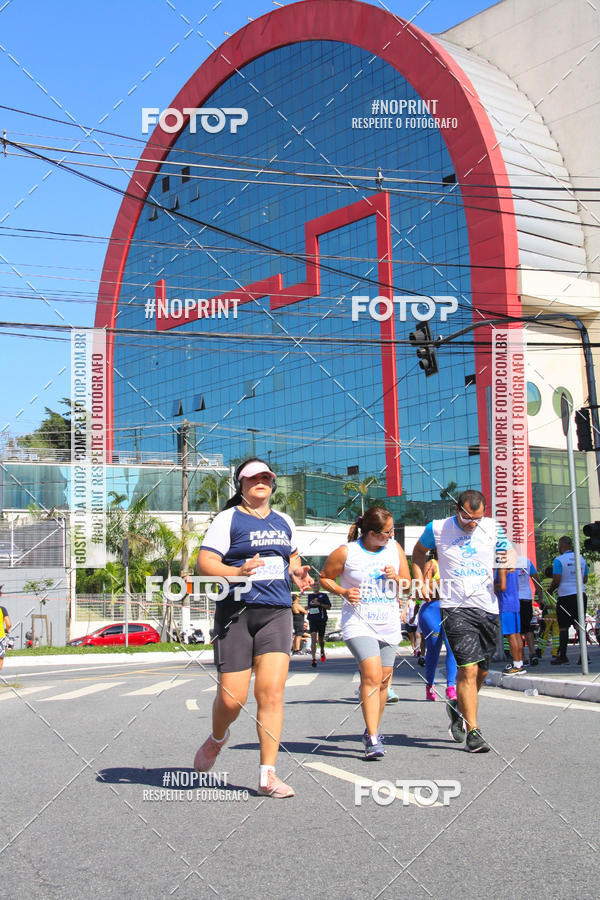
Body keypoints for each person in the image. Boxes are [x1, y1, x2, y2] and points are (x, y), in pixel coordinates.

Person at [194, 458, 313, 798]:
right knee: (232, 700)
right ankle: (218, 738)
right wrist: (237, 572)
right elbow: (206, 563)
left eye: (266, 477)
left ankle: (268, 775)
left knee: (271, 693)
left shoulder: (284, 521)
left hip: (276, 612)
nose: (260, 481)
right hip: (236, 612)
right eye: (253, 478)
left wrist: (297, 572)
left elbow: (290, 557)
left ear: (272, 484)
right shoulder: (228, 519)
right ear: (241, 485)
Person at [412, 489, 507, 753]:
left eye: (477, 518)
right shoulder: (439, 528)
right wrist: (419, 579)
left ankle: (457, 707)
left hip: (488, 607)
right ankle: (473, 732)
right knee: (468, 669)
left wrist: (503, 575)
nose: (472, 524)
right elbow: (418, 552)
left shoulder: (492, 527)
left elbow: (506, 553)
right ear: (457, 510)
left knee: (483, 672)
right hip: (455, 607)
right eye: (467, 519)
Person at [320, 506, 410, 760]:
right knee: (371, 675)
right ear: (371, 533)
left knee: (383, 680)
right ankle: (372, 737)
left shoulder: (395, 549)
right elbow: (325, 577)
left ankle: (372, 729)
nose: (391, 537)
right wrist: (344, 592)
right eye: (386, 533)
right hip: (359, 624)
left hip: (389, 624)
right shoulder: (347, 553)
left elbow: (407, 584)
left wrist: (397, 578)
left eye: (392, 532)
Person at [417, 550, 458, 705]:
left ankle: (450, 686)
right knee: (433, 648)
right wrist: (441, 583)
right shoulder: (431, 564)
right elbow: (423, 590)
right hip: (432, 610)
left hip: (450, 609)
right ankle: (430, 685)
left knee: (451, 647)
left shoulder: (456, 566)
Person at [548, 535, 588, 665]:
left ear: (562, 545)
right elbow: (585, 579)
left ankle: (563, 655)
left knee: (563, 627)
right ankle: (584, 657)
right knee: (579, 625)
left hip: (565, 597)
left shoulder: (558, 560)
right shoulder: (581, 559)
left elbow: (557, 579)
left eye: (559, 546)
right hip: (580, 595)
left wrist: (550, 590)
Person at [495, 549, 526, 674]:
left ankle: (516, 664)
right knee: (517, 634)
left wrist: (491, 586)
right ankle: (519, 663)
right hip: (515, 602)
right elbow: (516, 586)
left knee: (511, 635)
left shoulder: (502, 567)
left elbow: (502, 586)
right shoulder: (514, 568)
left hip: (506, 604)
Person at [517, 556, 543, 666]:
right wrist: (540, 595)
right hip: (526, 597)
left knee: (517, 630)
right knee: (528, 628)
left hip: (514, 598)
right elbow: (536, 579)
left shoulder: (506, 561)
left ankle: (522, 657)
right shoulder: (527, 561)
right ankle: (532, 654)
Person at [306, 587, 331, 667]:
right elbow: (310, 606)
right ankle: (314, 659)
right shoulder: (310, 596)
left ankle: (322, 650)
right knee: (313, 639)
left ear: (319, 586)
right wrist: (306, 608)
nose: (315, 586)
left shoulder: (323, 595)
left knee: (321, 639)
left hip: (321, 619)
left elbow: (329, 606)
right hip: (312, 619)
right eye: (314, 585)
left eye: (317, 584)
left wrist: (319, 604)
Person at [0, 588, 11, 673]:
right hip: (0, 636)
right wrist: (7, 630)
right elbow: (8, 624)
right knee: (0, 657)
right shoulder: (2, 609)